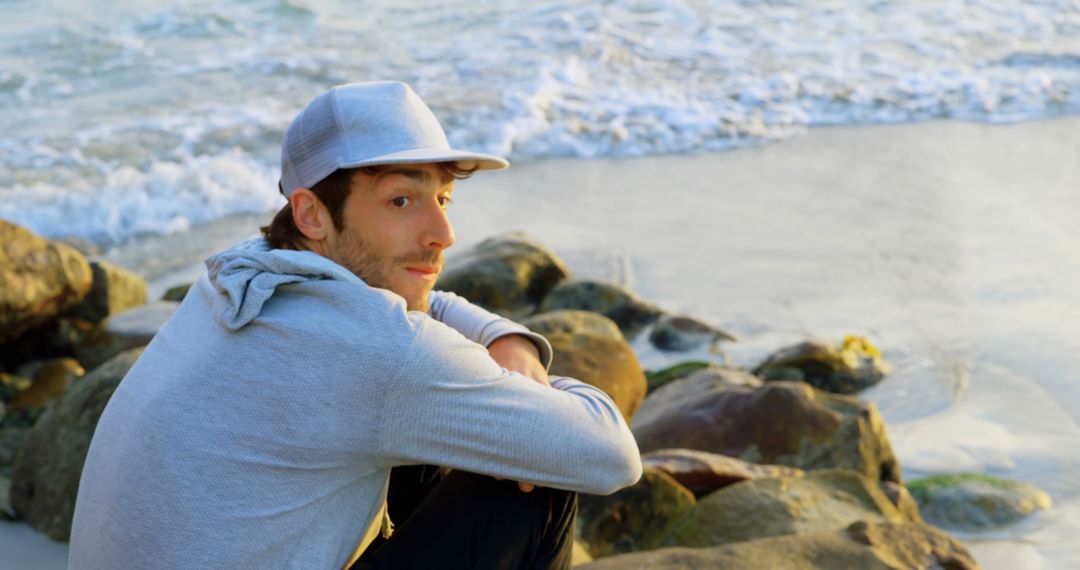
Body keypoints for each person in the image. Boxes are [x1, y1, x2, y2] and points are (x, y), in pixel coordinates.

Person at [69, 81, 642, 569]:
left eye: (442, 197)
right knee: (534, 490)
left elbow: (421, 303)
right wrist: (540, 391)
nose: (442, 233)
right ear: (312, 213)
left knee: (453, 425)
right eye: (401, 200)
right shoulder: (378, 351)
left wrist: (507, 340)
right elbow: (610, 453)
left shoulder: (240, 273)